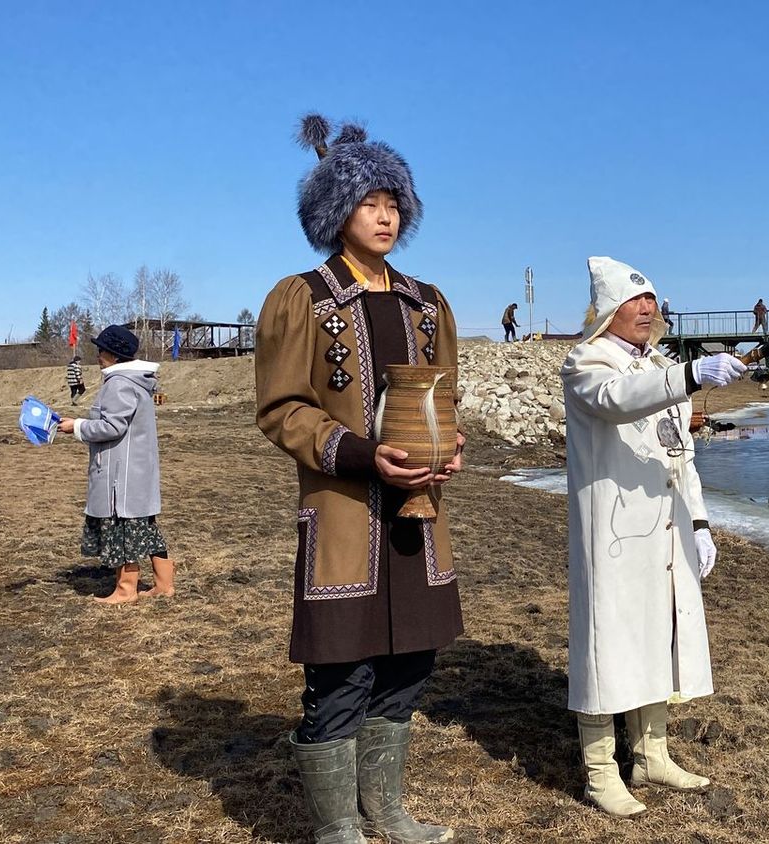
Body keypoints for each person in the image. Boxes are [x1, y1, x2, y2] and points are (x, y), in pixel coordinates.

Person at [256, 113, 464, 844]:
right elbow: (282, 409)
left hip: (417, 516)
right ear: (335, 212)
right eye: (368, 202)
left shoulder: (427, 303)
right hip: (345, 513)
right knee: (340, 669)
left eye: (393, 202)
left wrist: (448, 445)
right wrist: (359, 452)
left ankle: (387, 811)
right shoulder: (302, 299)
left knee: (410, 664)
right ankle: (337, 827)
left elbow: (443, 398)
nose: (384, 216)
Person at [560, 256, 749, 818]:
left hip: (665, 529)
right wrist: (691, 375)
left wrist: (699, 523)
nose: (647, 308)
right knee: (608, 640)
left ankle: (651, 754)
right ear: (608, 310)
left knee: (657, 631)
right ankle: (600, 772)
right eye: (634, 300)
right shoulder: (586, 361)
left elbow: (679, 456)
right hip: (613, 531)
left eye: (651, 299)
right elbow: (618, 400)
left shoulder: (660, 365)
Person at [56, 325, 176, 604]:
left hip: (121, 475)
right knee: (145, 528)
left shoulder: (119, 383)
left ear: (115, 355)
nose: (98, 355)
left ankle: (126, 589)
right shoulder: (135, 381)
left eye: (102, 350)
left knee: (122, 530)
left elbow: (112, 427)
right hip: (136, 471)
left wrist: (77, 426)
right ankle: (164, 584)